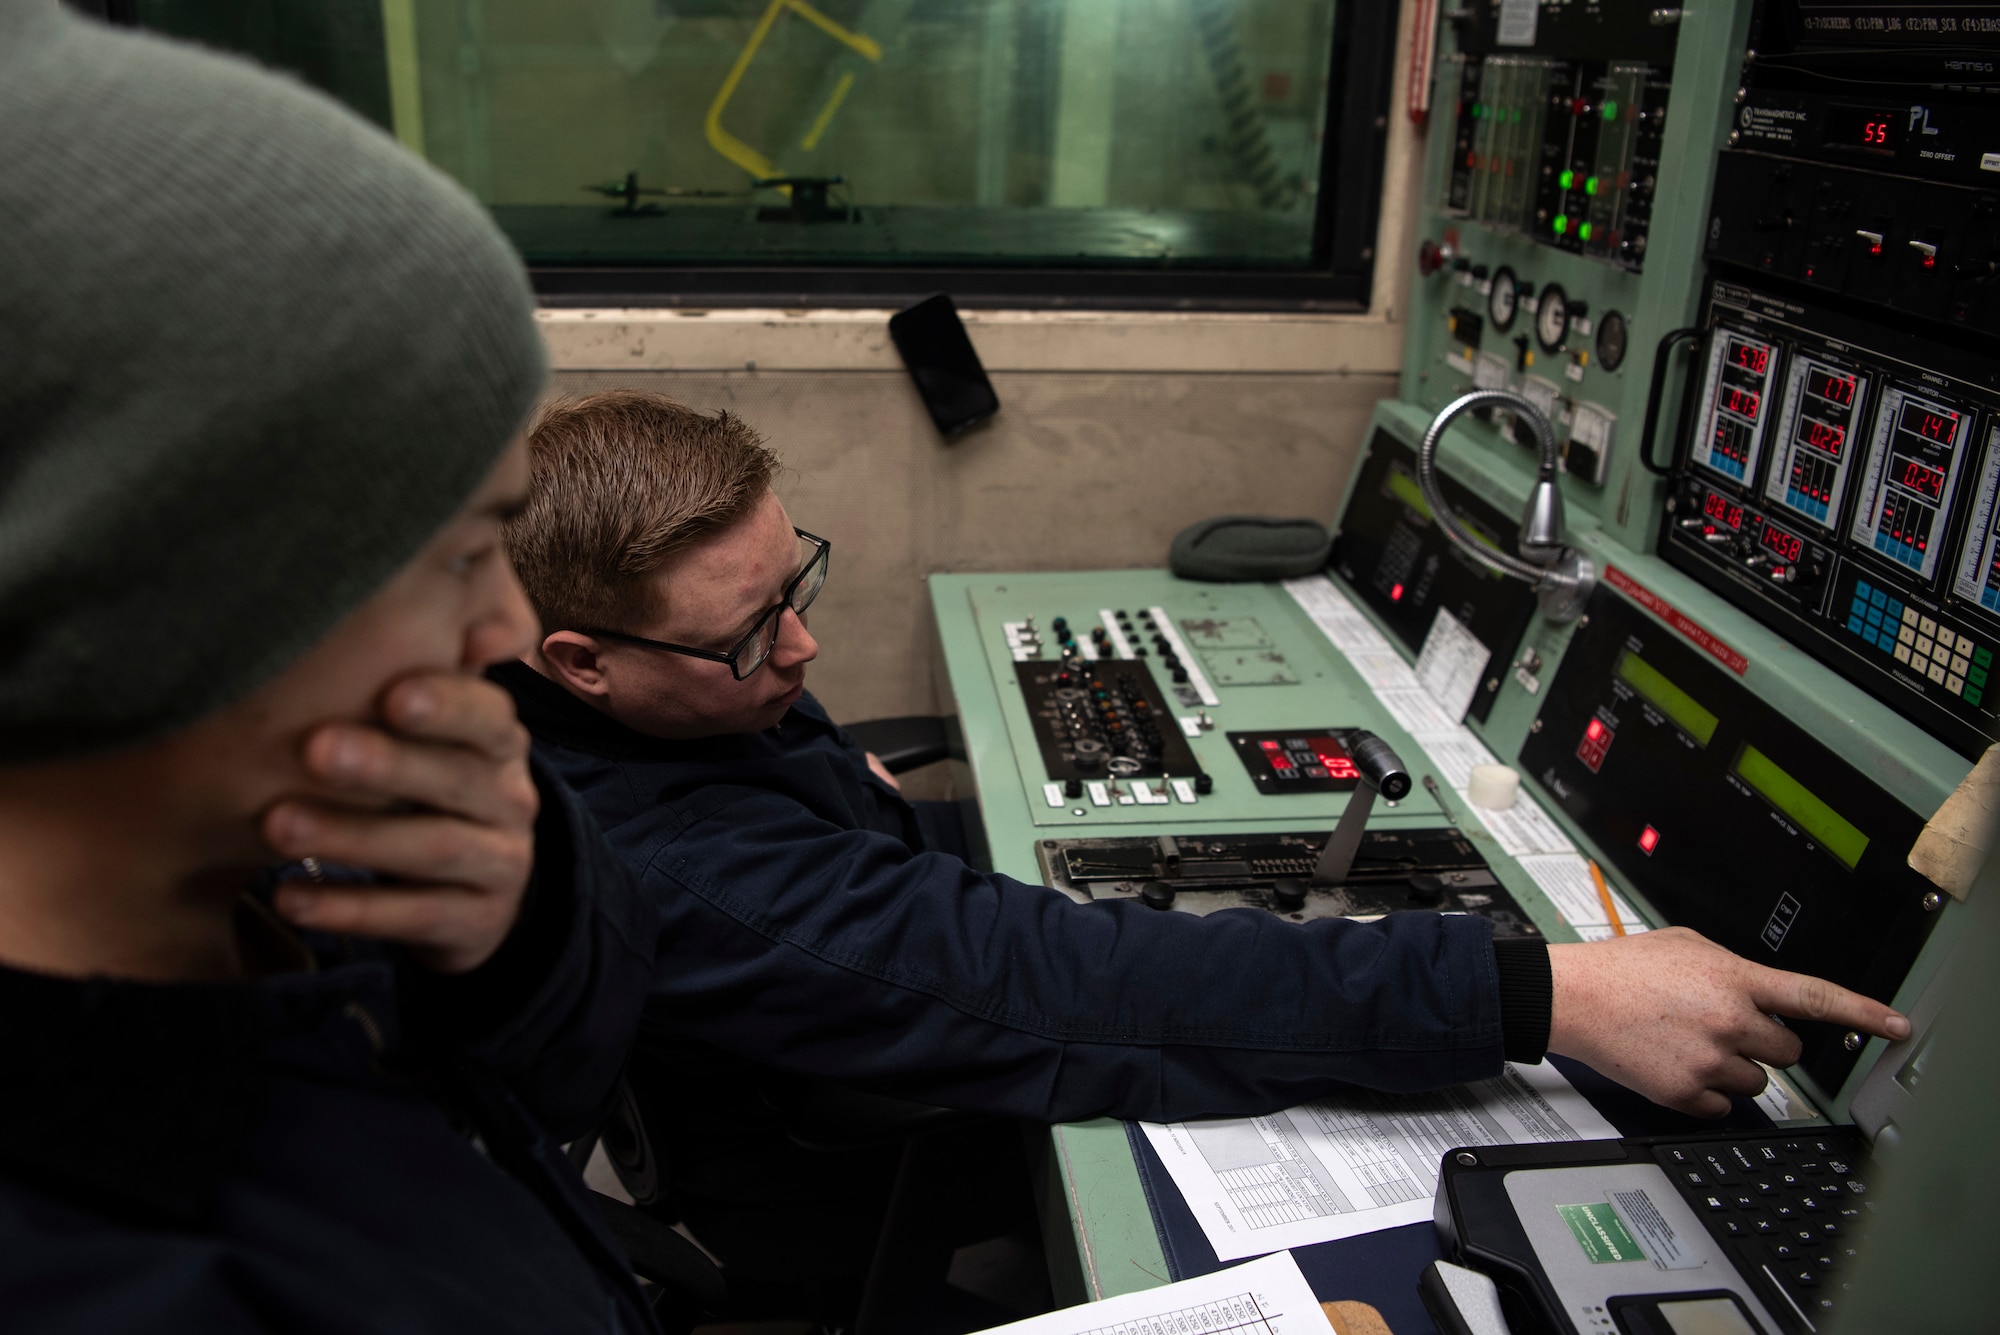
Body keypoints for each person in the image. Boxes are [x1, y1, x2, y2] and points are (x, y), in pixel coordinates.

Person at [494, 390, 1911, 1305]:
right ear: (583, 661)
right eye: (749, 639)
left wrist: (878, 812)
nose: (801, 643)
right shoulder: (674, 865)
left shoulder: (657, 724)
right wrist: (1549, 996)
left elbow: (860, 852)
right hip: (842, 1170)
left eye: (794, 581)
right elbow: (1051, 985)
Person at [0, 6, 658, 1330]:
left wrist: (512, 933)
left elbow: (548, 1097)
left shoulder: (306, 860)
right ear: (168, 592)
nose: (509, 633)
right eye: (464, 553)